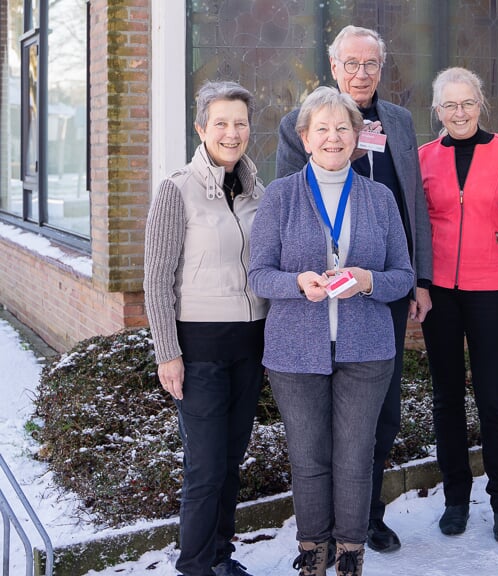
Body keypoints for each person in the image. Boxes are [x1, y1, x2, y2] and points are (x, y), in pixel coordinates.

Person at [276, 25, 432, 554]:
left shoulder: (401, 123)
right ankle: (326, 533)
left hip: (379, 290)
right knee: (319, 432)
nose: (361, 74)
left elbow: (414, 207)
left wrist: (419, 280)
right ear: (333, 65)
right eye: (351, 64)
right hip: (317, 299)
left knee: (379, 413)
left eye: (371, 65)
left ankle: (367, 516)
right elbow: (290, 211)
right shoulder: (299, 127)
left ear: (380, 70)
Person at [249, 87, 415, 576]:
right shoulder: (280, 195)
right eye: (321, 128)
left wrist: (368, 282)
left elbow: (403, 276)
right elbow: (258, 274)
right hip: (295, 352)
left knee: (356, 458)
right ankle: (313, 552)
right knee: (308, 458)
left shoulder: (379, 197)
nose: (333, 137)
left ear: (358, 137)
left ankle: (349, 553)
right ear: (304, 138)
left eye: (343, 127)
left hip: (366, 350)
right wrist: (298, 283)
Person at [143, 80, 266, 576]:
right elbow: (155, 279)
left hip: (250, 344)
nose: (232, 133)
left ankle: (220, 555)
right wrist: (166, 352)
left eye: (240, 123)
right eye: (221, 123)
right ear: (200, 128)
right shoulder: (177, 190)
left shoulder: (257, 190)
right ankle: (193, 565)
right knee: (206, 466)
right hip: (199, 348)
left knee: (231, 462)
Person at [417, 66, 498, 544]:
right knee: (446, 396)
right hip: (440, 291)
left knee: (492, 397)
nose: (459, 112)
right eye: (449, 105)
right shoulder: (424, 157)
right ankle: (455, 498)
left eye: (467, 103)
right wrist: (419, 284)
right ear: (437, 111)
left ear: (482, 104)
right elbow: (418, 228)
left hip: (491, 287)